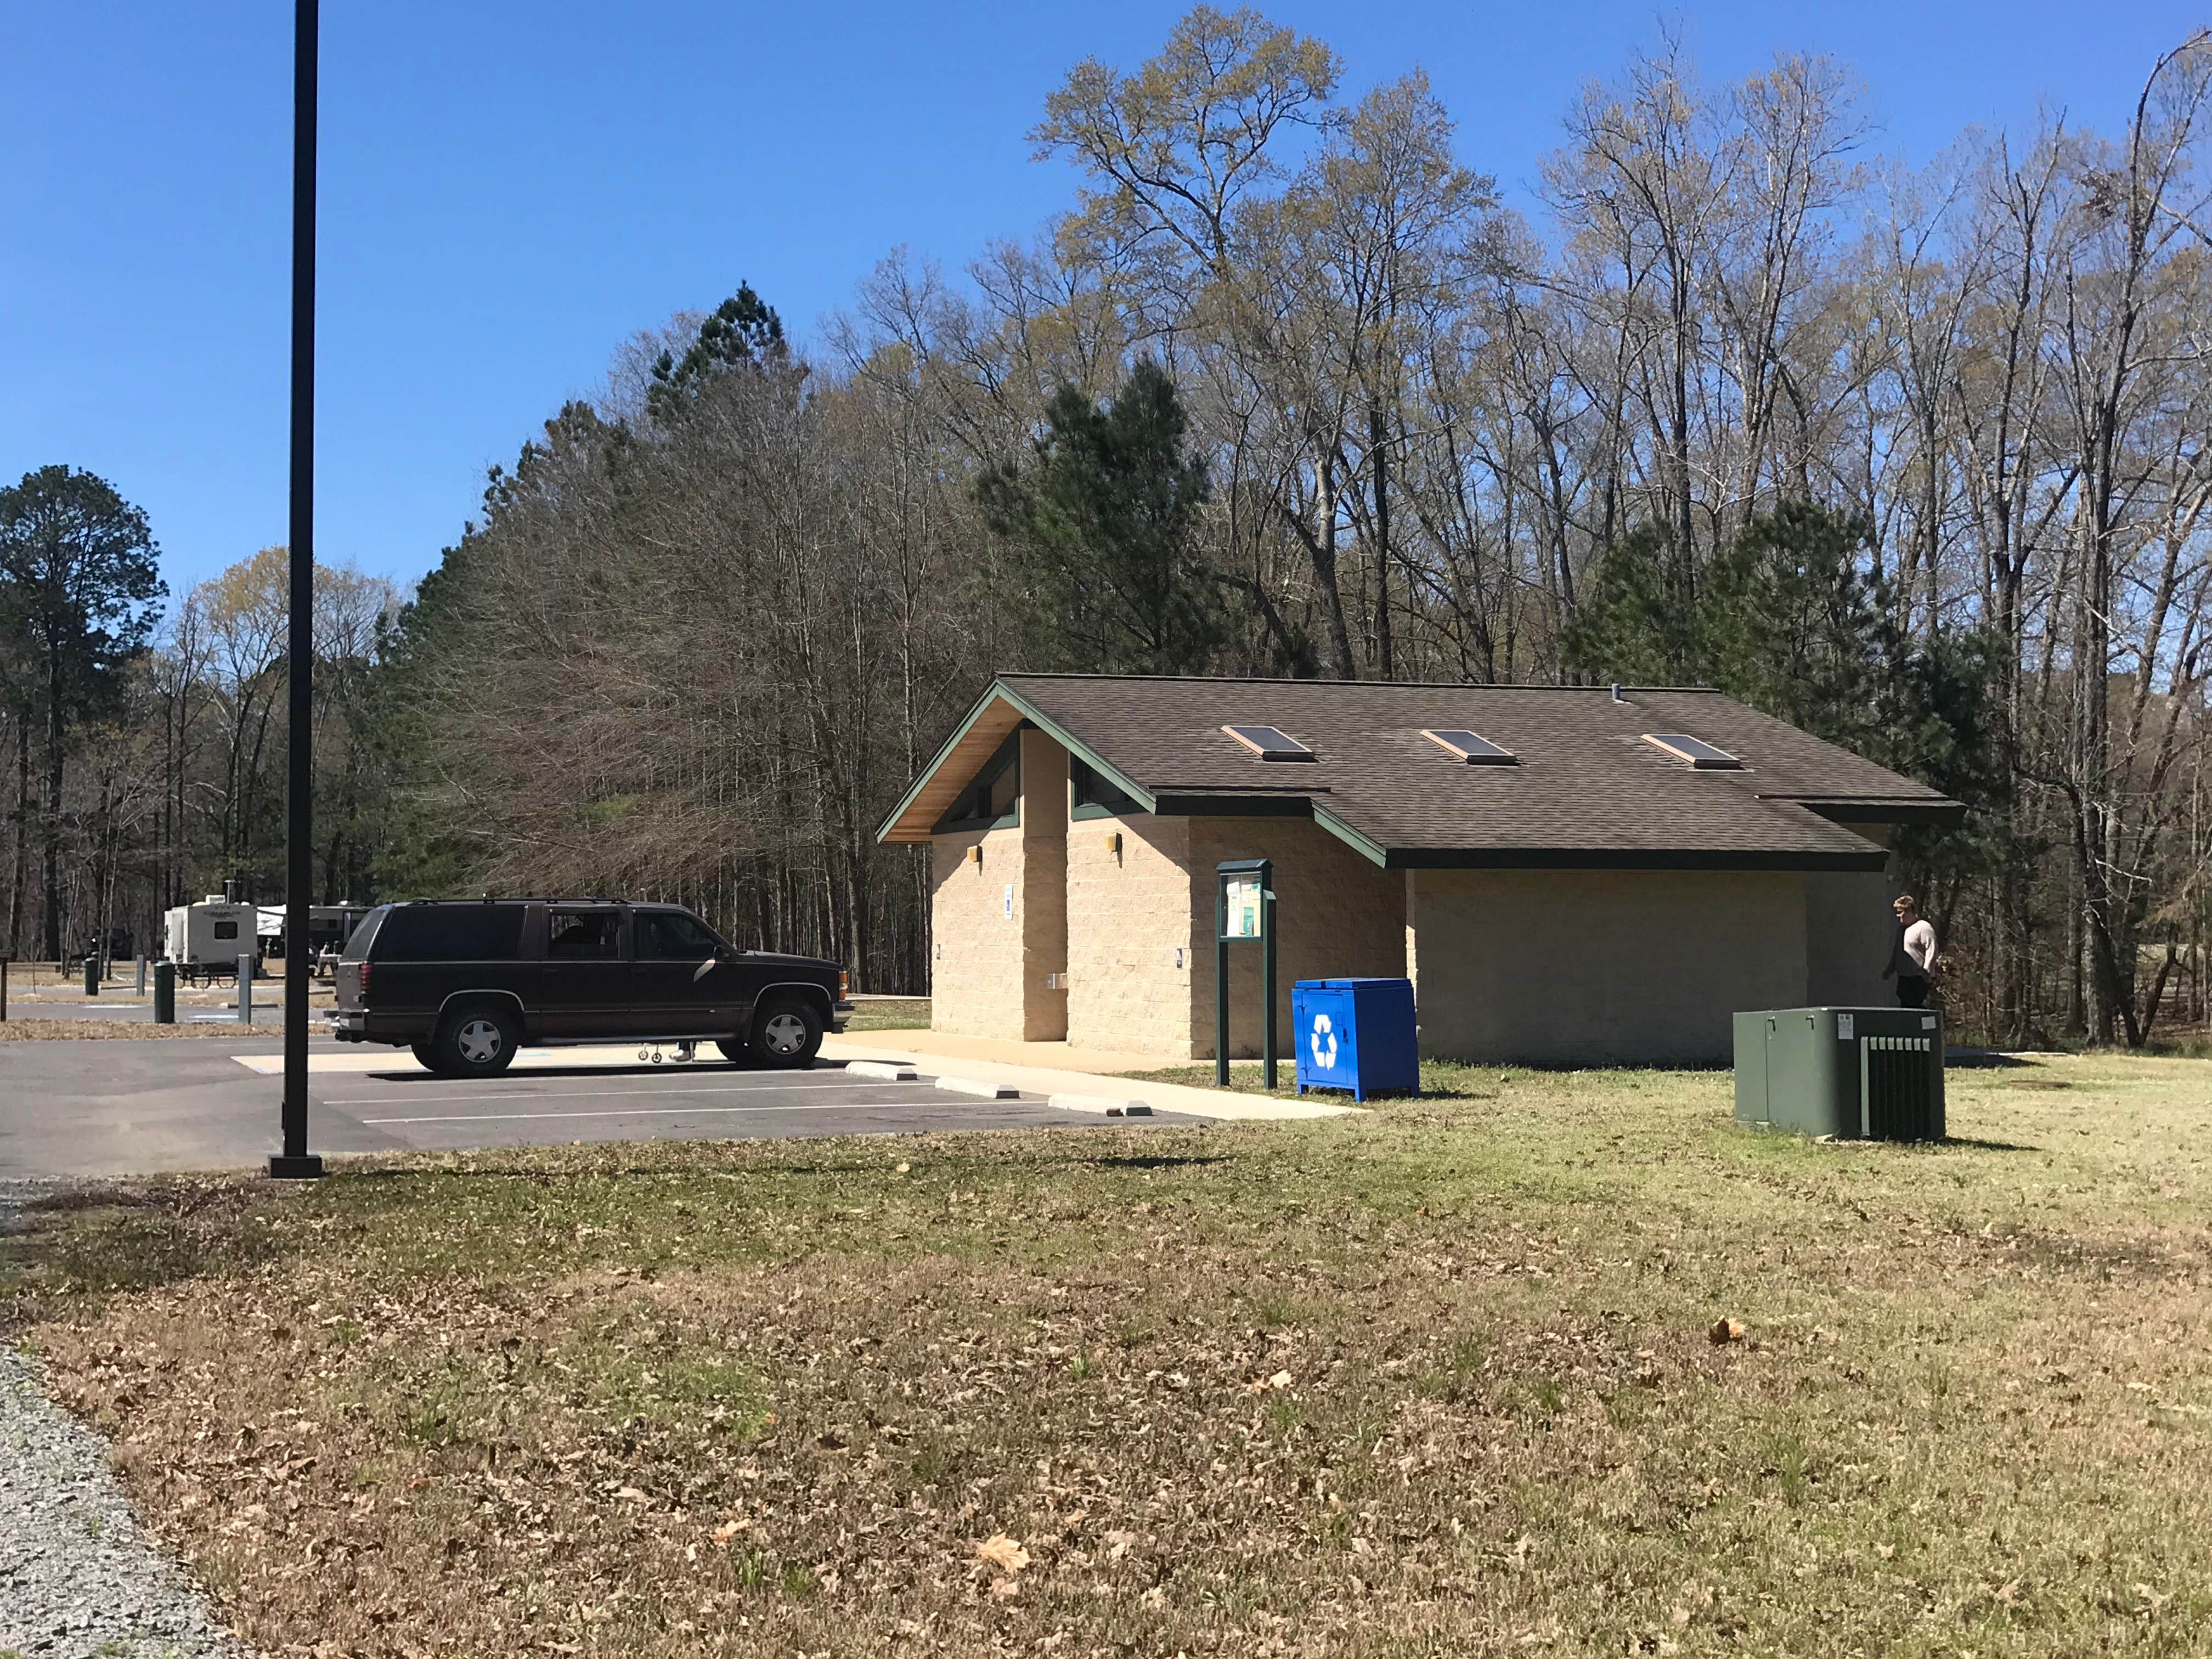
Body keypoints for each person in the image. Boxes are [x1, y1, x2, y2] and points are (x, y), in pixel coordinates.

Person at [1882, 894, 1938, 1007]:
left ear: (1909, 911)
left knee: (1916, 1005)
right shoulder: (1901, 931)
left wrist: (1927, 972)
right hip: (1904, 977)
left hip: (1919, 978)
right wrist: (1890, 970)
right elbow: (1897, 952)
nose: (1898, 916)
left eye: (1900, 912)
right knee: (1905, 1003)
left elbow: (1931, 949)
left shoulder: (1923, 927)